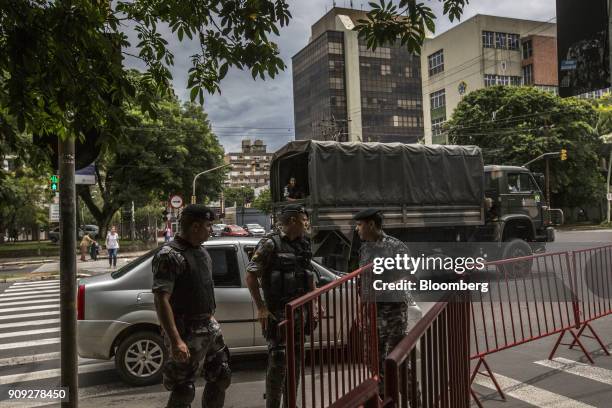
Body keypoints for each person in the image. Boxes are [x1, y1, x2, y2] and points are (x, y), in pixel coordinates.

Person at [153, 204, 231, 408]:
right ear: (195, 226)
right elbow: (161, 299)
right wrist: (175, 340)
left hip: (208, 326)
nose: (211, 230)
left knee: (221, 374)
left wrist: (210, 316)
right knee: (184, 390)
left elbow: (202, 289)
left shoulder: (202, 252)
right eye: (208, 225)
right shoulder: (169, 255)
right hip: (185, 330)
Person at [245, 204, 316, 408]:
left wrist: (316, 303)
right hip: (278, 314)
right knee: (278, 362)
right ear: (292, 221)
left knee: (296, 364)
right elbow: (250, 276)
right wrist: (261, 308)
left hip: (300, 313)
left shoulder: (304, 243)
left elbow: (308, 275)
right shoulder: (270, 244)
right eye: (304, 220)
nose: (307, 224)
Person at [354, 208, 418, 403]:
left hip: (393, 314)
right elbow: (362, 281)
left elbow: (409, 277)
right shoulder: (364, 248)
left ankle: (415, 401)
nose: (357, 229)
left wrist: (384, 289)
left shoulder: (395, 247)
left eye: (360, 224)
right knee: (374, 364)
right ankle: (384, 402)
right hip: (372, 315)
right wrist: (362, 309)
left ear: (371, 224)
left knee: (396, 363)